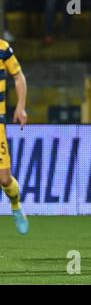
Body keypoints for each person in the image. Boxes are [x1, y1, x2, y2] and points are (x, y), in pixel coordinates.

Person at [0, 39, 28, 234]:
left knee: (4, 178)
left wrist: (20, 107)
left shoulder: (3, 48)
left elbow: (18, 77)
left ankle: (16, 205)